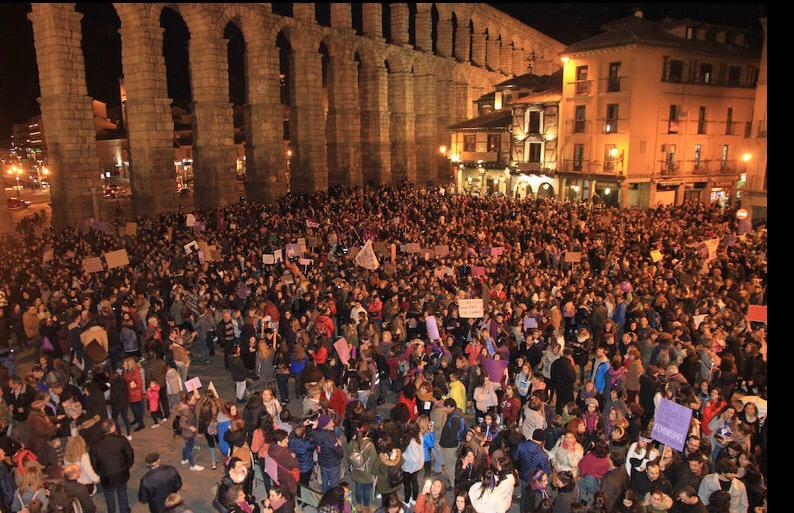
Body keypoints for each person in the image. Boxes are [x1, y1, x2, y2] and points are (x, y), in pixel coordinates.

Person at [89, 418, 134, 513]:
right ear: (113, 427)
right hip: (121, 473)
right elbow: (130, 455)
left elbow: (94, 464)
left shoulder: (95, 446)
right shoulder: (122, 440)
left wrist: (101, 472)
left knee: (109, 496)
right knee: (122, 493)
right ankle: (124, 510)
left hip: (106, 476)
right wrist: (126, 467)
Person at [312, 414, 344, 493]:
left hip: (322, 462)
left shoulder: (315, 432)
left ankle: (324, 496)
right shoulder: (330, 437)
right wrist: (339, 444)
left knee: (325, 481)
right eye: (330, 423)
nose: (333, 424)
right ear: (325, 426)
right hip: (332, 464)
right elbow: (339, 451)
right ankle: (332, 499)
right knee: (334, 484)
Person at [175, 392, 205, 471]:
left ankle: (184, 459)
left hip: (189, 433)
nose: (195, 400)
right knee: (189, 449)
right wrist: (190, 427)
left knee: (187, 446)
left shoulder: (190, 406)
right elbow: (182, 423)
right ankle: (193, 465)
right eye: (193, 399)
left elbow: (196, 398)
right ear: (188, 401)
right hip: (188, 433)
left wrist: (196, 397)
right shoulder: (186, 410)